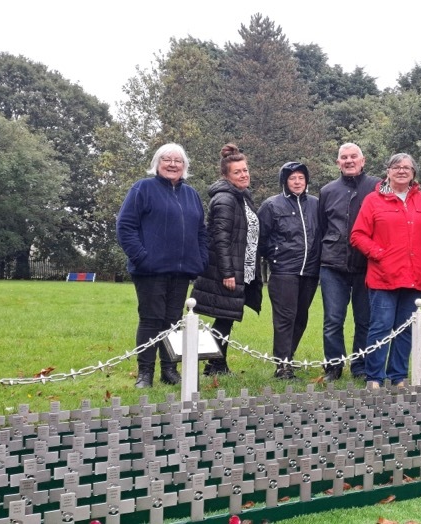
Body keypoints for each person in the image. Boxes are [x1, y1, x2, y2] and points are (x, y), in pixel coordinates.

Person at [116, 143, 208, 389]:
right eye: (167, 159)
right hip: (150, 271)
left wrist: (201, 259)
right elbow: (125, 227)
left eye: (178, 161)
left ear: (185, 166)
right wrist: (142, 258)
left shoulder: (192, 194)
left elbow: (201, 231)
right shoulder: (142, 189)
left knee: (173, 321)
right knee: (151, 319)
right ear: (157, 163)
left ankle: (170, 369)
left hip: (181, 271)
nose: (172, 164)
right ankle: (145, 373)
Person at [351, 153, 421, 389]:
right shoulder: (372, 200)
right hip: (383, 276)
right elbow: (358, 235)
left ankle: (398, 376)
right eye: (397, 167)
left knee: (406, 328)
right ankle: (374, 377)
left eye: (407, 168)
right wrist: (379, 254)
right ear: (388, 171)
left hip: (415, 276)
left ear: (414, 174)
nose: (402, 171)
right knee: (380, 327)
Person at [191, 143, 263, 375]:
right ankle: (215, 364)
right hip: (228, 270)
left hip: (243, 268)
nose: (244, 174)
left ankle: (217, 363)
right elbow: (219, 239)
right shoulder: (225, 200)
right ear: (226, 175)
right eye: (237, 172)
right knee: (224, 318)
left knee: (227, 318)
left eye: (245, 170)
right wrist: (228, 273)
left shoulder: (242, 196)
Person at [318, 143, 381, 382]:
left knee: (364, 319)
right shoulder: (327, 191)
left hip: (367, 264)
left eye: (353, 156)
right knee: (333, 319)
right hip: (333, 265)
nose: (349, 160)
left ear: (363, 160)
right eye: (344, 157)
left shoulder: (376, 186)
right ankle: (333, 367)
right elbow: (322, 227)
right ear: (338, 163)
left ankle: (360, 365)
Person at [258, 161, 321, 379]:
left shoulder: (315, 204)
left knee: (301, 318)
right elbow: (261, 238)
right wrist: (275, 256)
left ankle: (289, 357)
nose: (297, 182)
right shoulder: (271, 205)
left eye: (301, 178)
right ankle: (282, 365)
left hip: (310, 270)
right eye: (292, 178)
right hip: (284, 271)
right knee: (285, 318)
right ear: (285, 181)